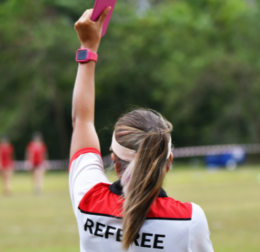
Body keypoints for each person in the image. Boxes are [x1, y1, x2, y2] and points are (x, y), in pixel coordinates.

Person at [69, 8, 214, 251]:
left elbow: (81, 121)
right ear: (168, 162)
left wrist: (89, 47)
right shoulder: (190, 220)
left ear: (115, 161)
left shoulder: (88, 199)